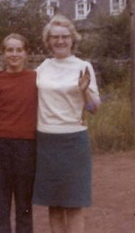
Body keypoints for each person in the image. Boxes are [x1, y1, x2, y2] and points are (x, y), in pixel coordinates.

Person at [32, 14, 101, 233]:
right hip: (46, 141)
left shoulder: (83, 67)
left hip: (73, 141)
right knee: (54, 205)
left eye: (64, 36)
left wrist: (84, 92)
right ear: (48, 40)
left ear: (73, 39)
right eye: (55, 37)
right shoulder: (42, 68)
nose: (60, 41)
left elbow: (94, 109)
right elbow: (19, 84)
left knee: (73, 205)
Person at [0, 33, 38, 233]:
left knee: (25, 206)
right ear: (3, 53)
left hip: (26, 148)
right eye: (10, 50)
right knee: (0, 206)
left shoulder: (37, 78)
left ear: (26, 53)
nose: (14, 54)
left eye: (18, 50)